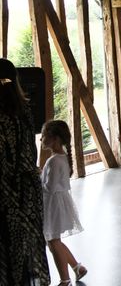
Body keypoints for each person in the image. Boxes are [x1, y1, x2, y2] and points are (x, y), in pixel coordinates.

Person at [0, 58, 50, 286]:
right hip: (28, 192)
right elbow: (28, 153)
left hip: (6, 193)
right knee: (24, 248)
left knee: (6, 251)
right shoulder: (25, 112)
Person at [40, 120, 87, 285]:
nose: (41, 139)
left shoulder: (54, 161)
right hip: (58, 204)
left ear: (55, 139)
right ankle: (77, 268)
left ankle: (65, 279)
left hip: (53, 205)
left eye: (44, 136)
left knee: (53, 242)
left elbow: (49, 188)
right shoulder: (61, 157)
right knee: (54, 241)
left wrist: (36, 177)